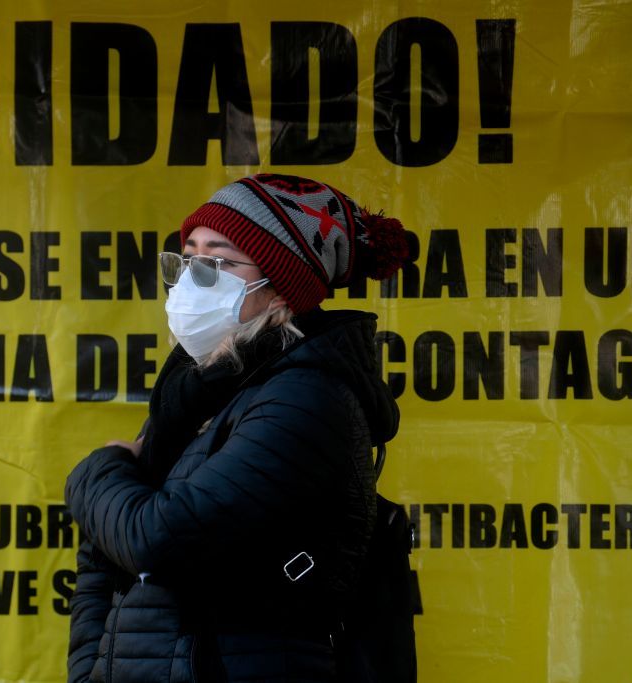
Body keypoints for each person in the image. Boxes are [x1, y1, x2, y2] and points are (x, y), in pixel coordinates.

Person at [65, 173, 409, 683]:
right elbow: (104, 556)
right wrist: (91, 670)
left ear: (278, 291)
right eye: (187, 258)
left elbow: (156, 541)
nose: (190, 277)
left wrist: (96, 471)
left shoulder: (308, 400)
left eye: (218, 262)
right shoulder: (199, 392)